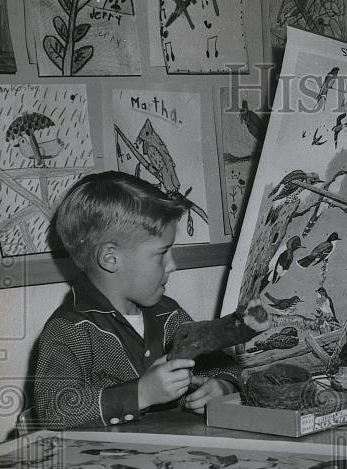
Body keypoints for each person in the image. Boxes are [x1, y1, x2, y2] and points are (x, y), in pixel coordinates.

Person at [33, 172, 240, 430]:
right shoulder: (69, 329)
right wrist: (140, 394)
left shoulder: (170, 315)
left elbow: (224, 364)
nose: (172, 265)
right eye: (161, 254)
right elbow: (53, 410)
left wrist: (221, 385)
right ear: (111, 258)